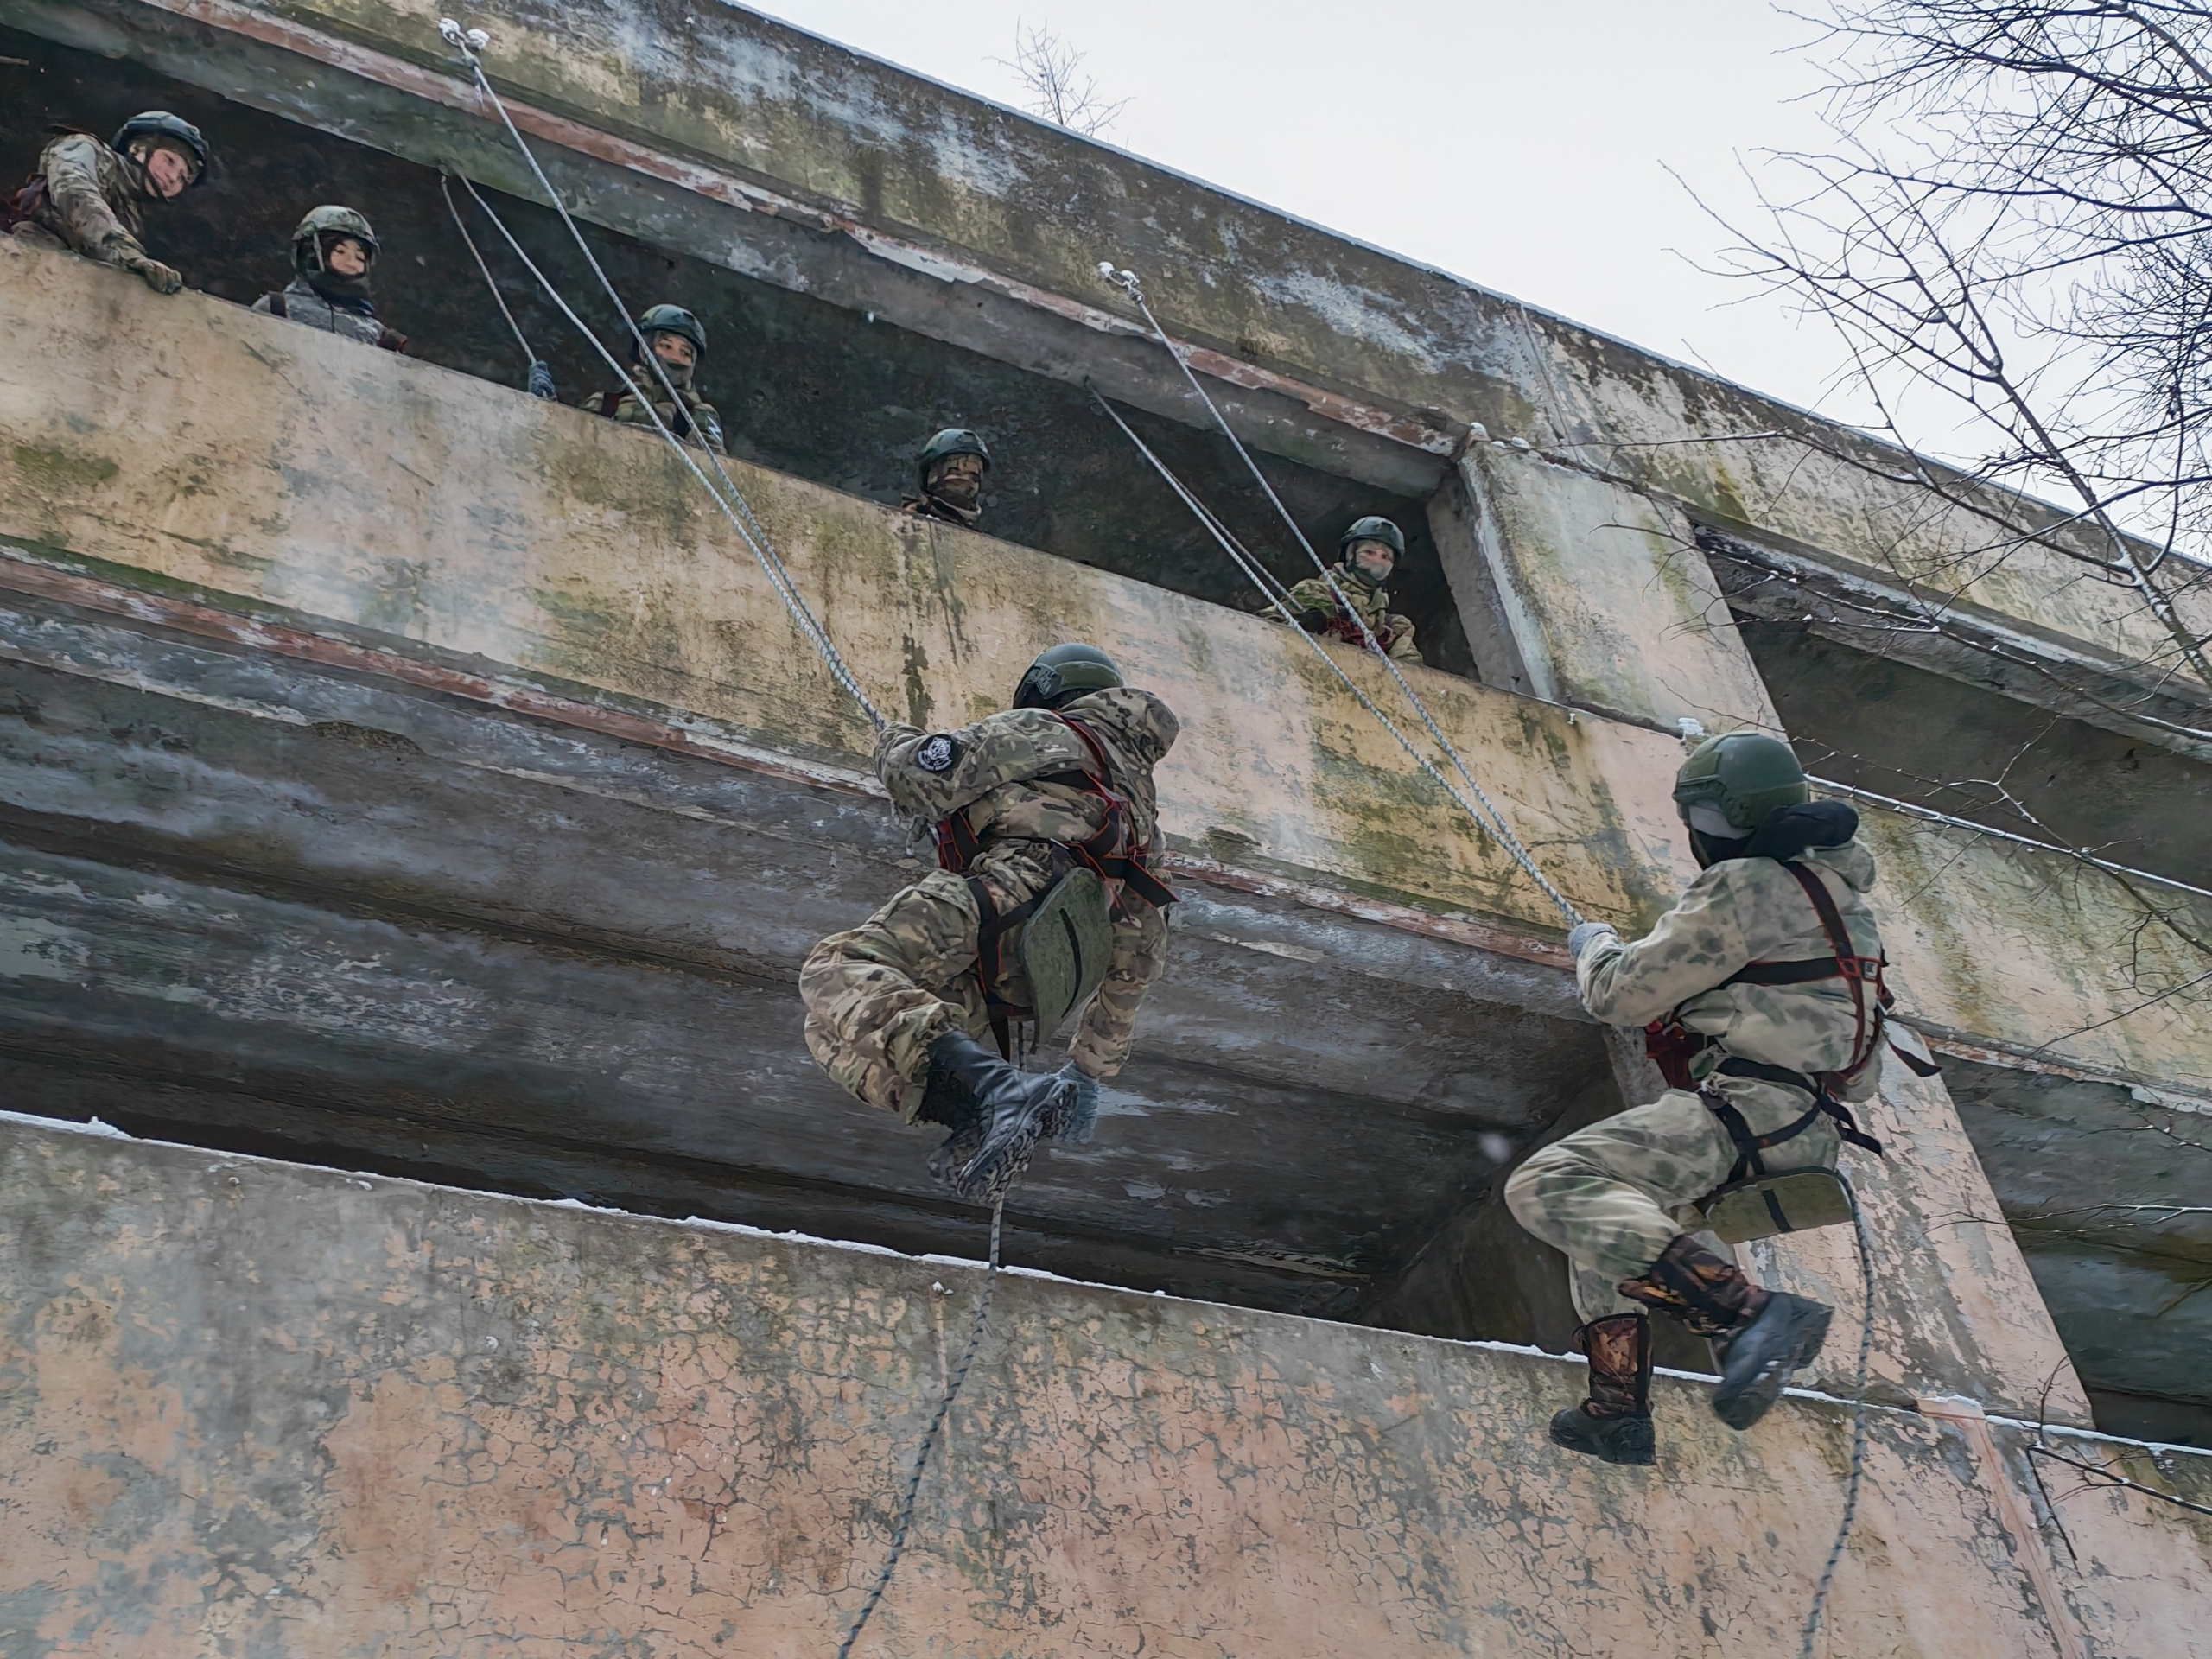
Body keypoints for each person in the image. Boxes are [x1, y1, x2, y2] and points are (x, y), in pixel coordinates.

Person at [1504, 731, 1933, 1465]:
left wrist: (1595, 948)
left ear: (1718, 820)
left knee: (1549, 1184)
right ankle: (1617, 1413)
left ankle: (1751, 1318)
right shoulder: (1848, 916)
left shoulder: (1750, 886)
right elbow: (1860, 1074)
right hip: (1805, 1131)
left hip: (1744, 1112)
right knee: (1606, 1231)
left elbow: (1621, 995)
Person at [800, 643, 1179, 1204]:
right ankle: (981, 1109)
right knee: (834, 1032)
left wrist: (894, 745)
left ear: (1048, 691)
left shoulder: (1049, 731)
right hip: (1037, 976)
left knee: (836, 970)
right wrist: (1088, 1068)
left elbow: (924, 774)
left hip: (1008, 890)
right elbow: (1141, 949)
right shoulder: (1144, 813)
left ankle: (998, 1089)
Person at [2, 111, 208, 295]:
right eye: (169, 160)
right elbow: (75, 191)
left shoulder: (134, 220)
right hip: (25, 262)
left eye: (183, 178)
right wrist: (126, 252)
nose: (173, 177)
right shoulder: (85, 147)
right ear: (137, 147)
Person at [251, 207, 406, 352]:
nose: (352, 263)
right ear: (311, 253)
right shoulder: (276, 309)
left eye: (359, 257)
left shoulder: (381, 337)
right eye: (340, 251)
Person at [1280, 517, 1421, 664]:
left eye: (1385, 556)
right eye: (1369, 552)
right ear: (1350, 554)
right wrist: (1302, 625)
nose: (1377, 560)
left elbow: (1413, 675)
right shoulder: (1313, 592)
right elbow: (1267, 633)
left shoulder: (1395, 628)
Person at [590, 304, 724, 452]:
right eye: (666, 346)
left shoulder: (698, 415)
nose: (675, 358)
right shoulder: (605, 404)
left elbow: (711, 468)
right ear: (644, 350)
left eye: (685, 353)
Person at [902, 428, 989, 526]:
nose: (965, 477)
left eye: (973, 471)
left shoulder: (979, 533)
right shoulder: (909, 520)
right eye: (954, 468)